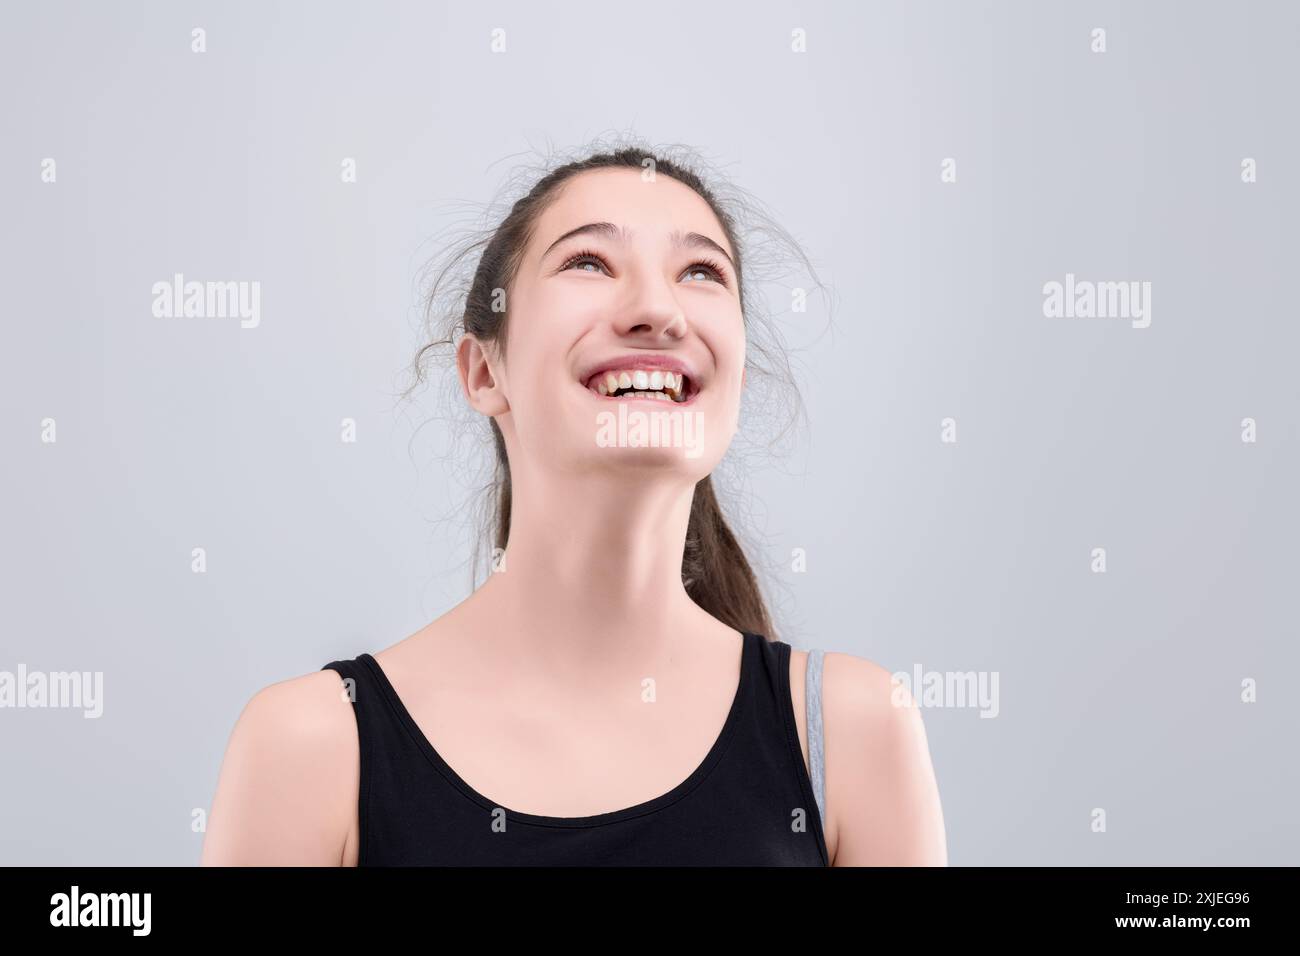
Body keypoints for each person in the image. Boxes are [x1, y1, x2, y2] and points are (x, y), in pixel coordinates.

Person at [200, 144, 947, 866]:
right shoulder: (311, 746)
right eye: (588, 261)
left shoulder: (853, 732)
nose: (658, 309)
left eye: (700, 271)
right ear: (484, 369)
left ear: (736, 379)